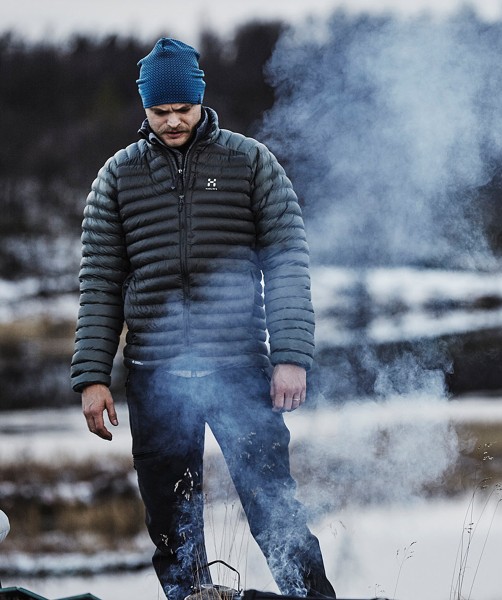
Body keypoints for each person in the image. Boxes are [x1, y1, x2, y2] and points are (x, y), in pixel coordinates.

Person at [70, 37, 335, 600]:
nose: (172, 122)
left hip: (239, 366)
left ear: (201, 100)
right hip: (155, 375)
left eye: (182, 110)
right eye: (160, 112)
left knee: (275, 512)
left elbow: (288, 263)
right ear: (144, 107)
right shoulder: (117, 177)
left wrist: (290, 357)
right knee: (173, 527)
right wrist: (93, 377)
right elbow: (99, 284)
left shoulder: (249, 161)